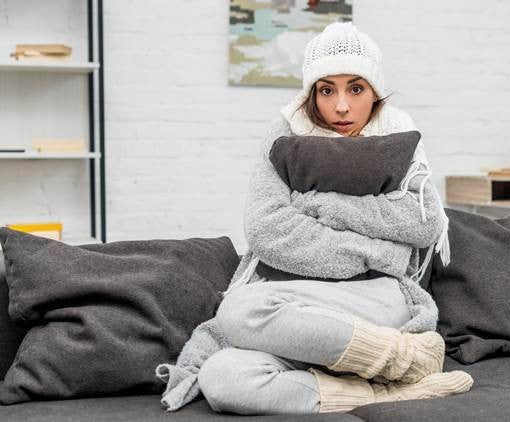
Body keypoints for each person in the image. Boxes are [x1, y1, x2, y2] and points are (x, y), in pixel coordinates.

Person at [159, 22, 473, 415]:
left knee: (240, 311)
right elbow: (266, 230)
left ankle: (390, 356)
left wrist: (321, 204)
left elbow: (423, 221)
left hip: (375, 301)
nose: (341, 106)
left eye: (355, 89)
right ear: (311, 93)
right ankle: (394, 377)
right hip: (296, 310)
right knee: (222, 378)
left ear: (374, 91)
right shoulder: (285, 135)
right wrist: (373, 248)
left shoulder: (398, 133)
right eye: (327, 90)